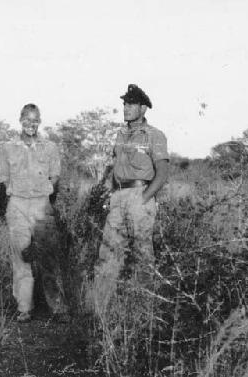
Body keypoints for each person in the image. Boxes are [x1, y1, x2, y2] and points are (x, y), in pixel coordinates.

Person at [92, 84, 169, 312]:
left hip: (140, 195)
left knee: (142, 255)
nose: (126, 108)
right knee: (108, 253)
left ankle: (144, 312)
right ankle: (99, 312)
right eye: (124, 104)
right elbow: (115, 168)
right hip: (118, 196)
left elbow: (162, 173)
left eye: (131, 104)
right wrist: (110, 196)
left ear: (143, 108)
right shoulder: (120, 135)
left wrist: (144, 198)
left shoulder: (154, 135)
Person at [0, 103, 68, 322]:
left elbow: (55, 177)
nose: (31, 124)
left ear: (40, 121)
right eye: (27, 120)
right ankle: (24, 308)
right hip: (17, 204)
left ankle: (57, 307)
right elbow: (4, 179)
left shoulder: (50, 147)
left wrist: (44, 197)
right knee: (21, 257)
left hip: (41, 205)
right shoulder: (7, 147)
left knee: (49, 256)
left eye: (35, 120)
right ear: (20, 120)